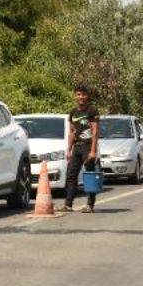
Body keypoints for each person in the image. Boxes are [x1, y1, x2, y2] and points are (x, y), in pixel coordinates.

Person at [60, 84, 100, 213]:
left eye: (83, 94)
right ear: (75, 96)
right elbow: (72, 132)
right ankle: (68, 204)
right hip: (76, 148)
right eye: (78, 94)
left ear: (87, 96)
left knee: (90, 175)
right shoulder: (73, 112)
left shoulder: (92, 111)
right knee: (71, 175)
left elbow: (95, 131)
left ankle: (90, 205)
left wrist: (93, 151)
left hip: (88, 147)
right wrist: (69, 149)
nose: (81, 97)